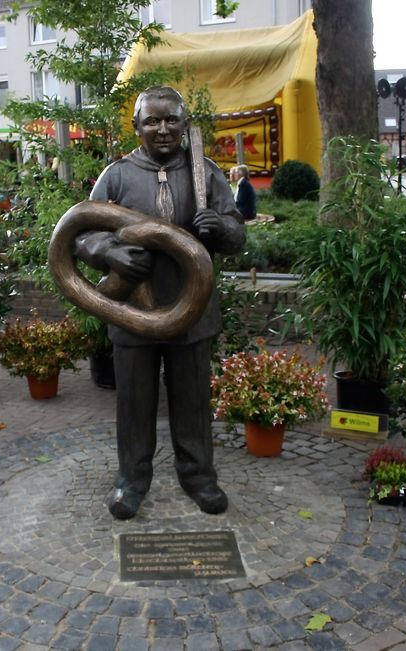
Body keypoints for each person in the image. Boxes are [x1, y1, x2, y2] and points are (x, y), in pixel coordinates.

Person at [74, 86, 246, 520]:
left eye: (172, 119)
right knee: (134, 401)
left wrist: (222, 230)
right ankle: (131, 479)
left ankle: (199, 476)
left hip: (193, 310)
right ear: (136, 127)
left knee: (191, 400)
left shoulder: (205, 173)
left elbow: (239, 233)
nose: (163, 129)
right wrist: (108, 252)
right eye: (152, 120)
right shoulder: (116, 176)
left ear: (186, 124)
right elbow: (82, 231)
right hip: (136, 309)